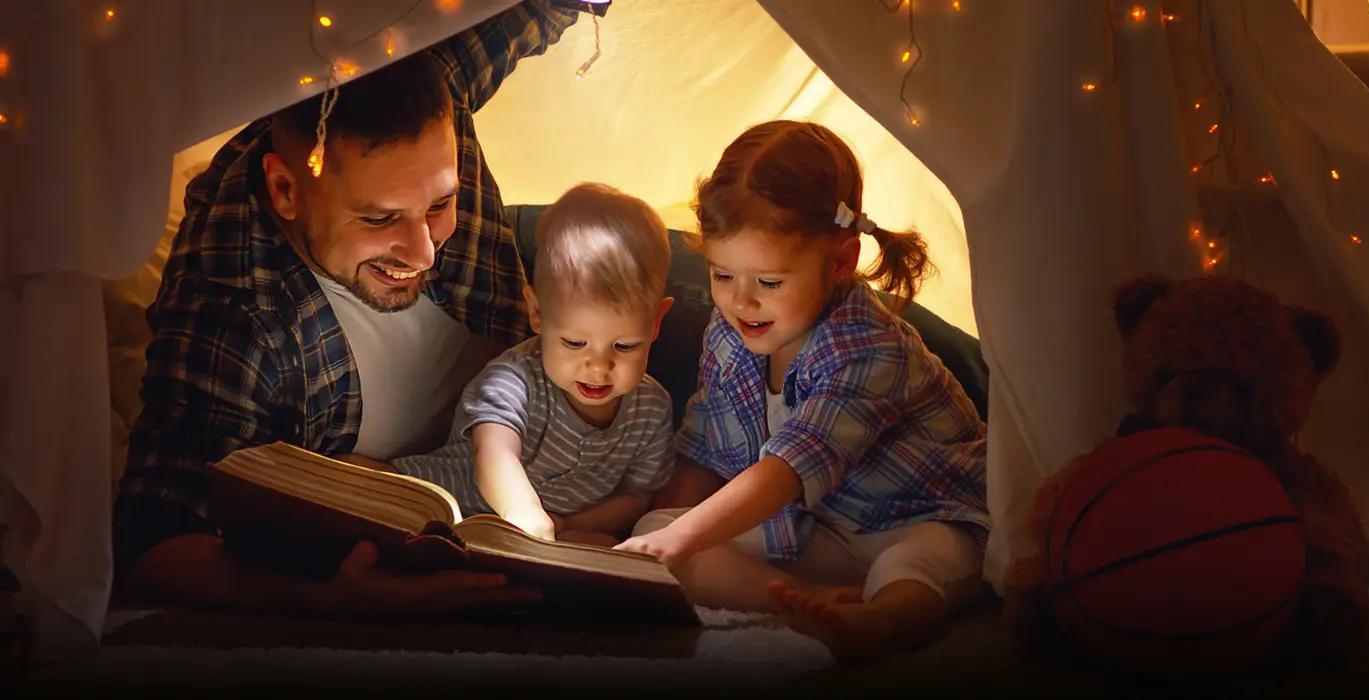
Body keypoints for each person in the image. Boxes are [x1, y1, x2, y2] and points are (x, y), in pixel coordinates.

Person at [112, 1, 588, 621]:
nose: (423, 251)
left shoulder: (427, 88)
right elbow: (152, 538)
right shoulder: (231, 304)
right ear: (286, 191)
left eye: (441, 204)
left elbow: (535, 8)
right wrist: (325, 601)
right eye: (379, 218)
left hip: (549, 371)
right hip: (429, 489)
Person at [615, 120, 990, 664]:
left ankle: (880, 621)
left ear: (840, 261)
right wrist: (654, 540)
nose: (741, 302)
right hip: (817, 533)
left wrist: (679, 539)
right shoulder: (727, 337)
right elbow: (703, 451)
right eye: (722, 276)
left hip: (919, 517)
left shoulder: (868, 348)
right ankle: (815, 603)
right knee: (664, 536)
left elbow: (789, 469)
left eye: (768, 283)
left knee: (917, 563)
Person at [347, 183, 676, 548]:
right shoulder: (512, 379)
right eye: (574, 343)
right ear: (537, 312)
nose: (598, 367)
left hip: (555, 530)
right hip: (456, 501)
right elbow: (495, 451)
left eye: (625, 346)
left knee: (601, 545)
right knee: (365, 487)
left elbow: (636, 496)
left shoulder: (652, 410)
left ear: (656, 323)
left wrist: (567, 524)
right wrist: (523, 514)